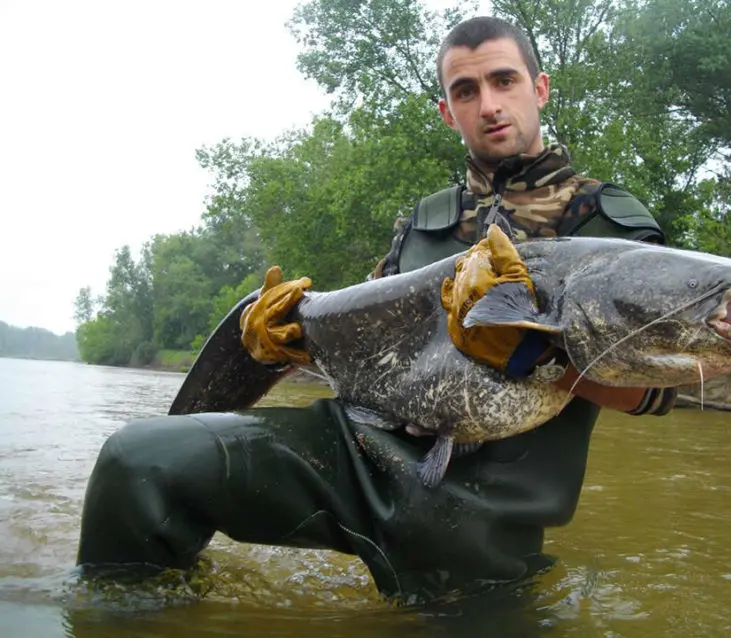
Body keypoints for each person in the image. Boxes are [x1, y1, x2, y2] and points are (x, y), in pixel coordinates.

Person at [75, 16, 676, 605]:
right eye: (466, 91)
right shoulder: (423, 221)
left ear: (539, 88)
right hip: (361, 453)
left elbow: (655, 392)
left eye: (505, 81)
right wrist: (282, 343)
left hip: (484, 517)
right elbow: (362, 343)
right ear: (448, 111)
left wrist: (533, 353)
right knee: (138, 461)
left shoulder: (610, 225)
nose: (489, 104)